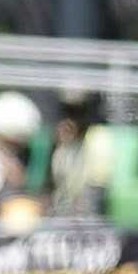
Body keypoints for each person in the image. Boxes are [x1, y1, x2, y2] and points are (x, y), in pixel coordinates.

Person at [48, 89, 112, 217]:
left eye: (75, 114)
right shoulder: (62, 144)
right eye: (65, 113)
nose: (67, 121)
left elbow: (94, 197)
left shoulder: (98, 139)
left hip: (85, 222)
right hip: (59, 218)